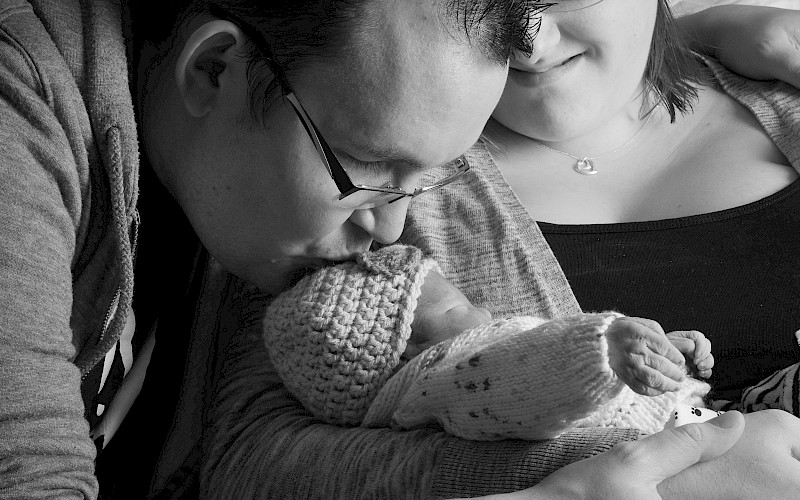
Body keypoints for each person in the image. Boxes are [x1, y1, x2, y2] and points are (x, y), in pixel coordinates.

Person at [0, 0, 799, 498]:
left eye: (421, 181)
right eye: (372, 169)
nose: (386, 232)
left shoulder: (268, 165)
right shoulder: (31, 113)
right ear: (212, 69)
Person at [396, 0, 800, 497]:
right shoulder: (377, 185)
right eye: (476, 6)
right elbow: (277, 449)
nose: (531, 44)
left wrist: (703, 30)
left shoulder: (782, 77)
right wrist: (631, 480)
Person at [261, 243, 720, 438]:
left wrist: (662, 352)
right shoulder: (453, 380)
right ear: (410, 347)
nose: (480, 311)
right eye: (456, 308)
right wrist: (608, 352)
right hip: (671, 435)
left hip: (676, 415)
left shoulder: (458, 367)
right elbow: (531, 380)